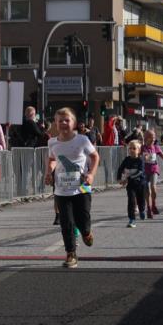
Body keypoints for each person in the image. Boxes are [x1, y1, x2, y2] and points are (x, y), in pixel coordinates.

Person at [44, 107, 100, 268]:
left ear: (73, 123)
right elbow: (52, 159)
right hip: (62, 189)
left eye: (67, 120)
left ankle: (86, 232)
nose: (63, 123)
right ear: (55, 123)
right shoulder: (52, 142)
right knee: (66, 222)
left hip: (82, 187)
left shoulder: (82, 140)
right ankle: (71, 253)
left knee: (83, 219)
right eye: (60, 120)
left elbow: (95, 157)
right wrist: (49, 172)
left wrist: (91, 174)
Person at [141, 128, 163, 217]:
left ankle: (153, 204)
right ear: (146, 138)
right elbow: (136, 157)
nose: (153, 139)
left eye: (154, 137)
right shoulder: (142, 148)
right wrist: (142, 158)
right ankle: (149, 208)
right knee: (146, 189)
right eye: (151, 137)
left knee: (153, 187)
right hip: (144, 170)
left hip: (154, 169)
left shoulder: (156, 147)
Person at [117, 140, 146, 228]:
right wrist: (119, 178)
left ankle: (142, 210)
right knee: (131, 201)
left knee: (141, 201)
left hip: (140, 184)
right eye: (130, 148)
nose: (132, 150)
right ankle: (132, 220)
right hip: (131, 185)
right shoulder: (127, 159)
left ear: (139, 150)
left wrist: (127, 178)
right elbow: (120, 168)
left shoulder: (140, 160)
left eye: (134, 148)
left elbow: (140, 172)